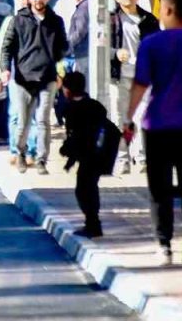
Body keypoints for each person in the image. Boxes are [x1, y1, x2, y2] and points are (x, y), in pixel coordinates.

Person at [124, 0, 182, 267]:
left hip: (158, 124)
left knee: (158, 188)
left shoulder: (152, 43)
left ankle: (163, 244)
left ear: (169, 11)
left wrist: (128, 118)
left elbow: (141, 84)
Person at [0, 0, 68, 175]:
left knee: (44, 119)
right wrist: (5, 69)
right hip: (23, 78)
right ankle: (20, 153)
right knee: (23, 120)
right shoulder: (18, 20)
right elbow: (6, 48)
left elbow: (63, 48)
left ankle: (41, 159)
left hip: (47, 77)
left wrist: (59, 70)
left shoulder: (56, 21)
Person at [109, 0, 160, 173]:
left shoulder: (148, 20)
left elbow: (158, 45)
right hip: (119, 75)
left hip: (143, 76)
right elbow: (100, 46)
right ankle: (123, 159)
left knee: (143, 117)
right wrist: (115, 53)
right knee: (120, 118)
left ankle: (142, 158)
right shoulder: (110, 19)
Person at [60, 71, 110, 238]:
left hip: (89, 155)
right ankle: (92, 223)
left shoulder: (72, 109)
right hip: (100, 153)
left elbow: (76, 137)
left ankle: (93, 224)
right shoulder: (95, 106)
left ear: (68, 90)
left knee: (84, 190)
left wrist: (67, 154)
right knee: (89, 188)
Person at [0, 0, 30, 148]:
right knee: (15, 113)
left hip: (37, 74)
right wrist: (0, 73)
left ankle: (31, 150)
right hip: (15, 74)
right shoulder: (12, 21)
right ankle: (16, 149)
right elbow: (3, 49)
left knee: (34, 117)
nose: (26, 2)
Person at [66, 0, 91, 79]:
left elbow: (80, 32)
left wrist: (68, 46)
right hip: (84, 52)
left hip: (83, 53)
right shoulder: (86, 6)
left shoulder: (82, 9)